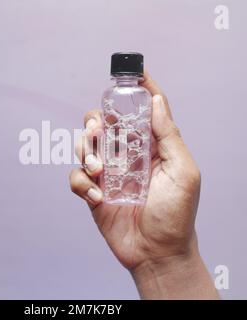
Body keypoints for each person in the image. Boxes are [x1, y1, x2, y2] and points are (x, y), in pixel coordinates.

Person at [69, 71, 219, 299]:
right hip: (123, 206)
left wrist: (168, 257)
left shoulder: (141, 97)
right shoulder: (113, 94)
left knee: (103, 134)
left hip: (149, 213)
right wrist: (162, 262)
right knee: (99, 132)